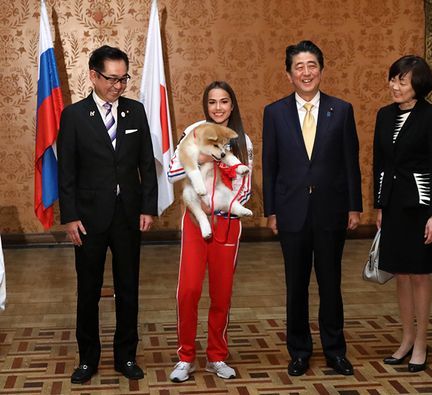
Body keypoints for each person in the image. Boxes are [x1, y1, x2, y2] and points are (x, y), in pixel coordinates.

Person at [57, 45, 158, 384]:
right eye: (112, 79)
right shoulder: (73, 116)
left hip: (128, 216)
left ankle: (126, 356)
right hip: (88, 218)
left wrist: (148, 207)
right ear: (93, 76)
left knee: (128, 288)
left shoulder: (136, 112)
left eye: (123, 78)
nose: (118, 86)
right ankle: (87, 358)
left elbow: (147, 163)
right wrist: (69, 217)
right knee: (88, 290)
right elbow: (66, 172)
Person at [262, 40, 362, 377]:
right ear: (288, 74)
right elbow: (270, 164)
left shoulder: (342, 109)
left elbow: (351, 163)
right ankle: (299, 350)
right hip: (291, 212)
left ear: (321, 69)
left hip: (331, 210)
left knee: (331, 283)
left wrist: (354, 206)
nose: (306, 72)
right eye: (298, 67)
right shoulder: (274, 112)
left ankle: (335, 350)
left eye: (311, 65)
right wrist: (271, 210)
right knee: (296, 285)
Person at [167, 81, 253, 382]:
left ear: (232, 105)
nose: (218, 107)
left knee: (222, 295)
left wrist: (223, 206)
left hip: (228, 223)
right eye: (213, 102)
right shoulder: (194, 132)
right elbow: (172, 172)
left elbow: (245, 189)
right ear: (207, 106)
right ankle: (185, 357)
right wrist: (202, 158)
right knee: (188, 291)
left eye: (224, 101)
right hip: (195, 222)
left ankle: (217, 356)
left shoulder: (243, 141)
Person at [373, 55, 432, 373]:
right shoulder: (384, 115)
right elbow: (379, 161)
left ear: (418, 85)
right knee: (399, 275)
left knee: (419, 274)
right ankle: (405, 339)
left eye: (402, 81)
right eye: (393, 79)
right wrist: (379, 204)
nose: (395, 85)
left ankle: (421, 341)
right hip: (392, 207)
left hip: (420, 207)